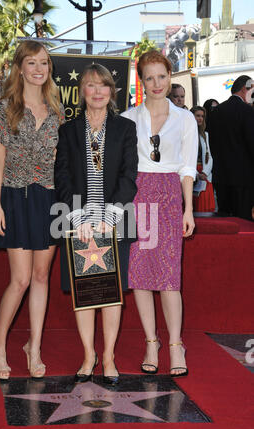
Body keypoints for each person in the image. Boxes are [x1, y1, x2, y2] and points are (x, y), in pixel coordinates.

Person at [0, 40, 65, 380]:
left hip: (49, 198)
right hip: (14, 197)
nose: (38, 69)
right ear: (20, 68)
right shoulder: (5, 108)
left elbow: (61, 161)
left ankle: (35, 346)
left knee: (42, 277)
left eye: (43, 63)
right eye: (31, 63)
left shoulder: (57, 111)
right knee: (20, 279)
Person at [55, 63, 138, 385]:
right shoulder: (68, 131)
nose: (98, 91)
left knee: (111, 292)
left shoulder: (125, 129)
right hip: (78, 222)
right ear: (82, 91)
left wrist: (108, 216)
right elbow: (61, 176)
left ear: (111, 91)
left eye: (104, 85)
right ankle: (89, 355)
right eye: (91, 85)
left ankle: (109, 357)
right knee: (85, 292)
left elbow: (129, 176)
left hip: (114, 222)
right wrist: (78, 217)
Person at [122, 50, 198, 377]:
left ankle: (176, 344)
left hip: (169, 196)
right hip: (137, 194)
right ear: (142, 80)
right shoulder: (127, 119)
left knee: (169, 274)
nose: (157, 83)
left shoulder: (186, 119)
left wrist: (188, 210)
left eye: (162, 76)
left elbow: (187, 168)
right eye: (150, 77)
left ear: (170, 77)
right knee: (140, 272)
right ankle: (151, 341)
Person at [209, 75, 254, 221]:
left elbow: (212, 144)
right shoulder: (247, 111)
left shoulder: (216, 111)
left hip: (220, 175)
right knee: (243, 222)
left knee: (225, 222)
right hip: (243, 178)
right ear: (244, 89)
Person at [190, 106, 215, 213]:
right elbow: (185, 157)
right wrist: (196, 174)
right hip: (192, 172)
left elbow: (209, 156)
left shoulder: (205, 135)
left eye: (202, 116)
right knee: (195, 206)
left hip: (205, 175)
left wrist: (205, 172)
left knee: (207, 208)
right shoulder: (187, 135)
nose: (200, 118)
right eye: (197, 116)